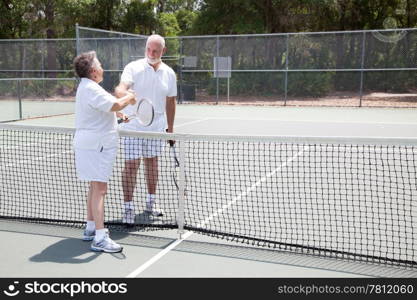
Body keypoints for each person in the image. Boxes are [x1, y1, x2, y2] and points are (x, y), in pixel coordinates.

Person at [73, 51, 136, 253]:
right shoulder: (91, 88)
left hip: (91, 143)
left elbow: (105, 110)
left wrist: (118, 116)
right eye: (99, 65)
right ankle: (100, 237)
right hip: (97, 145)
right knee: (100, 189)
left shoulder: (87, 87)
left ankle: (91, 228)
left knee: (94, 186)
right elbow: (115, 103)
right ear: (93, 71)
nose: (102, 68)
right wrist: (130, 96)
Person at [115, 34, 177, 223]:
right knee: (132, 165)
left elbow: (171, 101)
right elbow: (119, 89)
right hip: (133, 126)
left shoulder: (169, 73)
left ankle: (150, 203)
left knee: (152, 163)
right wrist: (126, 94)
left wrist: (170, 128)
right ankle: (128, 208)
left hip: (157, 126)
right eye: (148, 49)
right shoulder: (133, 67)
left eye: (155, 51)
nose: (151, 53)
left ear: (163, 51)